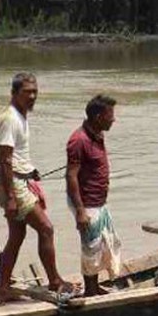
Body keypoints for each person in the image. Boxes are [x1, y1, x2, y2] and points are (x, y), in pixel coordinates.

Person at [0, 73, 74, 301]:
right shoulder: (10, 119)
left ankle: (3, 287)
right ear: (14, 93)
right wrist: (10, 197)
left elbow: (15, 157)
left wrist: (30, 171)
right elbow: (5, 159)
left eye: (35, 91)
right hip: (12, 183)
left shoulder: (20, 116)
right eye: (27, 92)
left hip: (18, 178)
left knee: (17, 235)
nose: (32, 96)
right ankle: (55, 281)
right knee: (46, 228)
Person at [66, 95, 121, 297]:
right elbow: (71, 176)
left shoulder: (96, 135)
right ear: (98, 117)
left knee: (103, 244)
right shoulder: (78, 140)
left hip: (98, 201)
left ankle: (94, 286)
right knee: (90, 247)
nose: (113, 120)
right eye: (110, 115)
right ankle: (90, 290)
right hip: (86, 202)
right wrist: (80, 211)